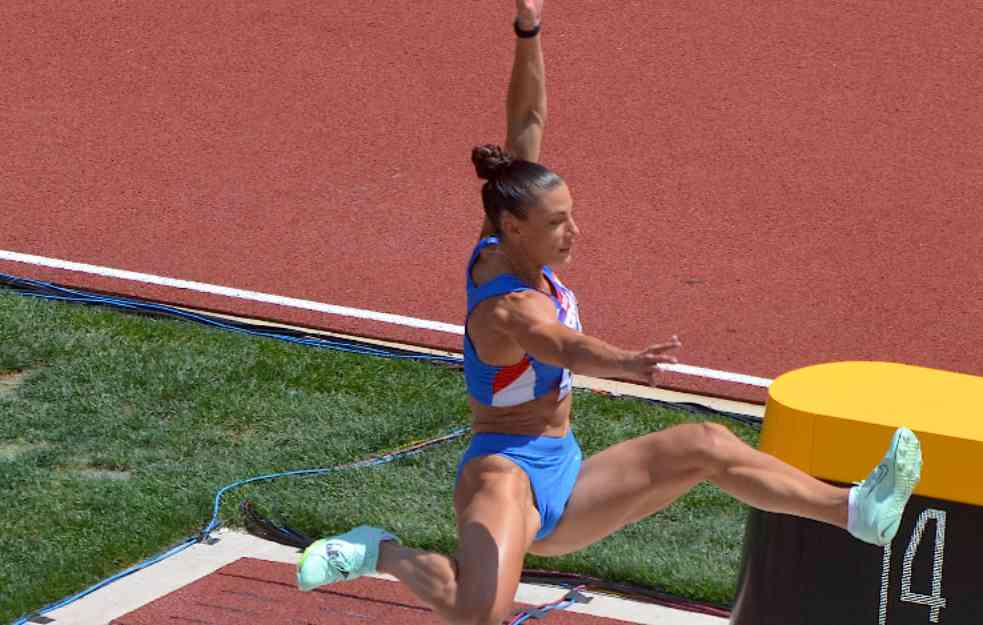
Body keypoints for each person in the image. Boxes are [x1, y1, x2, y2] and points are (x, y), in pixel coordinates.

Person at [295, 2, 923, 624]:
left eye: (570, 214)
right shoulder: (509, 310)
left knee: (705, 443)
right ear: (514, 226)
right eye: (557, 222)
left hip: (566, 466)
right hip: (504, 473)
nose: (573, 232)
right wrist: (628, 362)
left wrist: (528, 27)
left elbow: (529, 116)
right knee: (475, 616)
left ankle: (853, 512)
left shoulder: (505, 232)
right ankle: (381, 550)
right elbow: (562, 347)